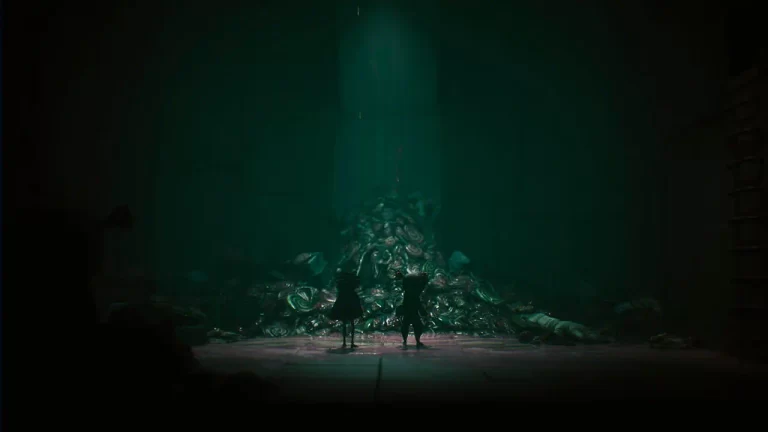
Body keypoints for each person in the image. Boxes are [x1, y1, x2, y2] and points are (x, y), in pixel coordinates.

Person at [329, 269, 364, 348]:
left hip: (344, 303)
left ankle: (345, 342)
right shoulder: (351, 284)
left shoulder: (341, 284)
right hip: (351, 303)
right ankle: (351, 342)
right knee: (351, 323)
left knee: (345, 323)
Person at [397, 272, 429, 349]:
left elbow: (405, 281)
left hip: (409, 309)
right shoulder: (416, 290)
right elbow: (422, 285)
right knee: (414, 326)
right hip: (412, 309)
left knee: (408, 325)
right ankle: (413, 341)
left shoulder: (410, 289)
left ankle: (407, 341)